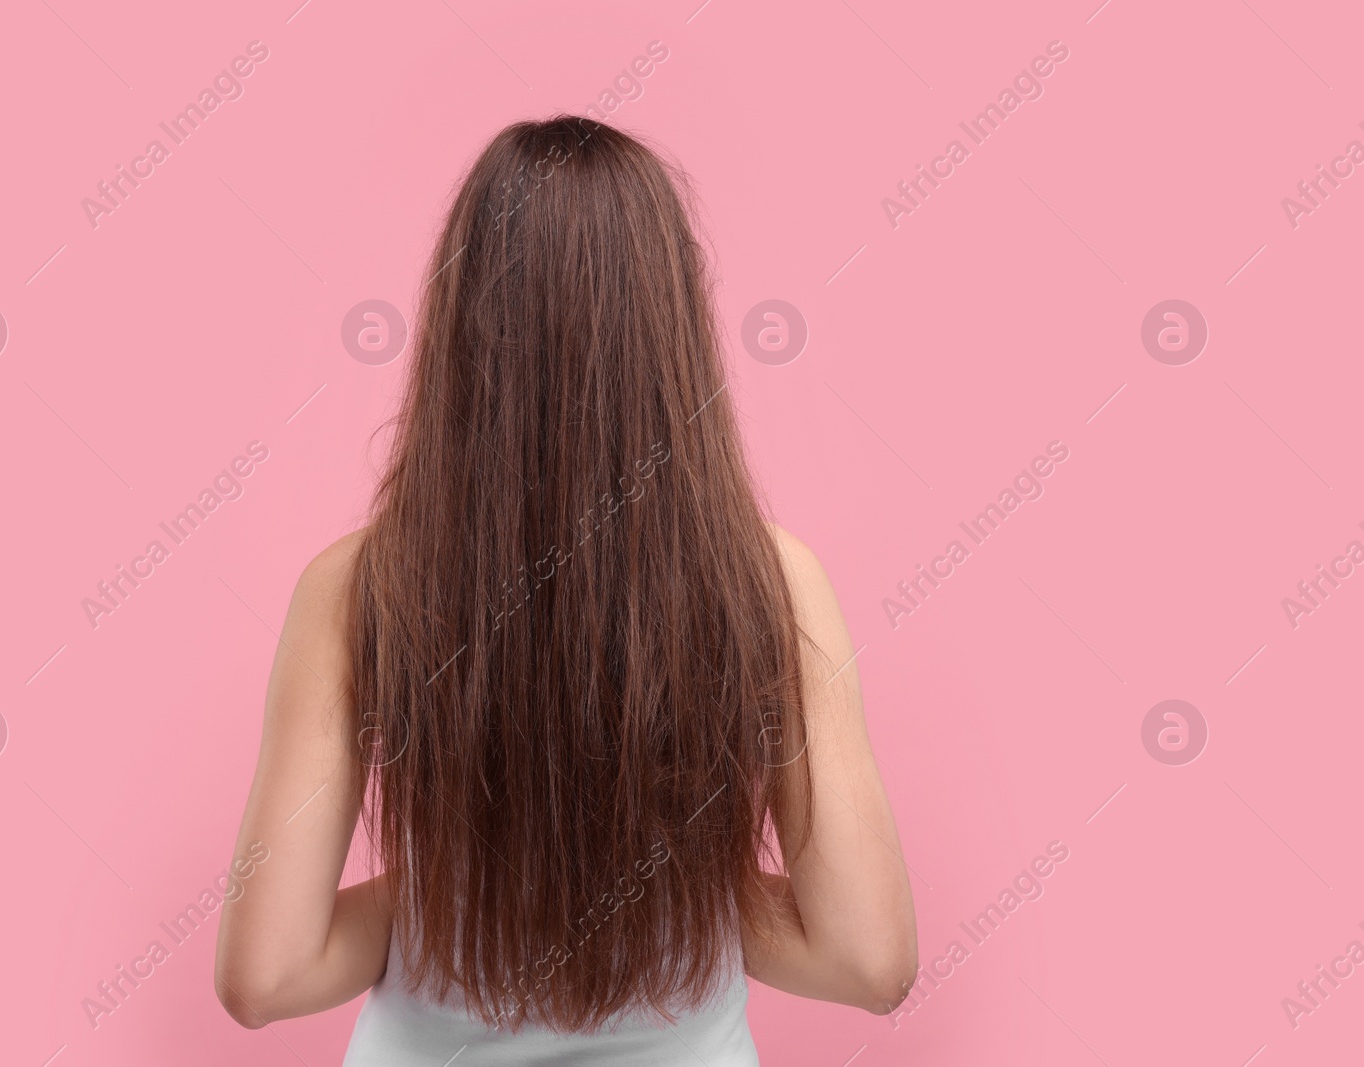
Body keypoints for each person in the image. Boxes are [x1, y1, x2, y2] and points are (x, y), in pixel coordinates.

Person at [213, 116, 917, 1065]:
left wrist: (461, 895)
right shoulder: (772, 582)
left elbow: (268, 976)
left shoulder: (355, 594)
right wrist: (656, 886)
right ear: (671, 328)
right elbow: (866, 958)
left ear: (462, 323)